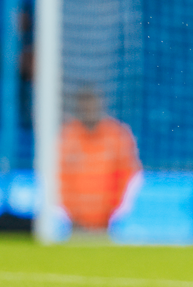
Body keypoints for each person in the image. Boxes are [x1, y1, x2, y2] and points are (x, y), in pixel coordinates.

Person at [59, 88, 141, 230]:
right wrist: (66, 212)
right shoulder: (67, 137)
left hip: (108, 222)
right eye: (84, 105)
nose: (88, 109)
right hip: (74, 222)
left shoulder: (117, 135)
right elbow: (57, 178)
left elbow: (129, 175)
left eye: (91, 104)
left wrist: (117, 211)